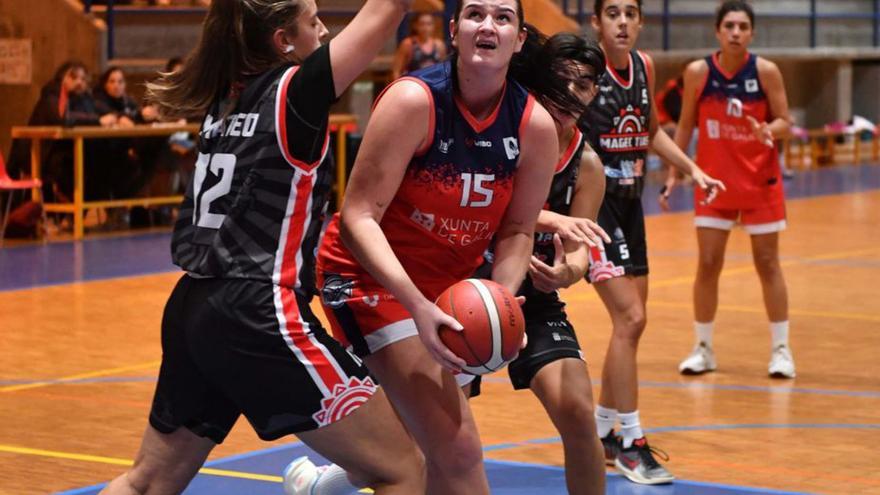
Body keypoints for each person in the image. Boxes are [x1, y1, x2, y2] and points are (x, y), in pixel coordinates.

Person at [98, 0, 428, 493]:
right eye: (314, 22)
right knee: (404, 468)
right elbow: (388, 8)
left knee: (148, 482)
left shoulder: (225, 99)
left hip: (194, 304)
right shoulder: (295, 90)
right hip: (259, 310)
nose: (324, 32)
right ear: (283, 41)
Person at [286, 31, 612, 495]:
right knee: (439, 446)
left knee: (559, 416)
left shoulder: (580, 160)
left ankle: (328, 484)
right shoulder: (476, 117)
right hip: (446, 282)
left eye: (586, 84)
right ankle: (329, 482)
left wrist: (567, 271)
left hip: (508, 292)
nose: (573, 94)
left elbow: (548, 238)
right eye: (565, 82)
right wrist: (551, 218)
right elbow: (503, 212)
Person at [584, 0, 725, 485]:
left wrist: (692, 168)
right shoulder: (584, 68)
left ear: (641, 22)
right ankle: (631, 442)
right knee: (631, 317)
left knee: (630, 327)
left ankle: (603, 430)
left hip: (631, 207)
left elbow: (650, 132)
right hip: (595, 213)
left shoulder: (643, 66)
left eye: (630, 13)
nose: (622, 22)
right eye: (612, 13)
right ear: (596, 23)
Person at [666, 1, 795, 378]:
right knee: (707, 264)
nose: (736, 32)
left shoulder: (767, 72)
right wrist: (678, 169)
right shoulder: (698, 73)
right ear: (718, 31)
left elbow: (786, 120)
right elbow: (686, 125)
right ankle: (703, 348)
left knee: (768, 264)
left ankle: (782, 350)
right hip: (714, 184)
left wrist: (769, 130)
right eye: (729, 26)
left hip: (760, 182)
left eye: (743, 26)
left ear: (752, 33)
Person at [390, 11, 447, 79]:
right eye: (422, 24)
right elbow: (396, 70)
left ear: (434, 26)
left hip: (433, 84)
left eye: (429, 24)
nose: (425, 28)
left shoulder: (439, 45)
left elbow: (444, 70)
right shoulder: (408, 44)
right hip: (413, 84)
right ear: (415, 26)